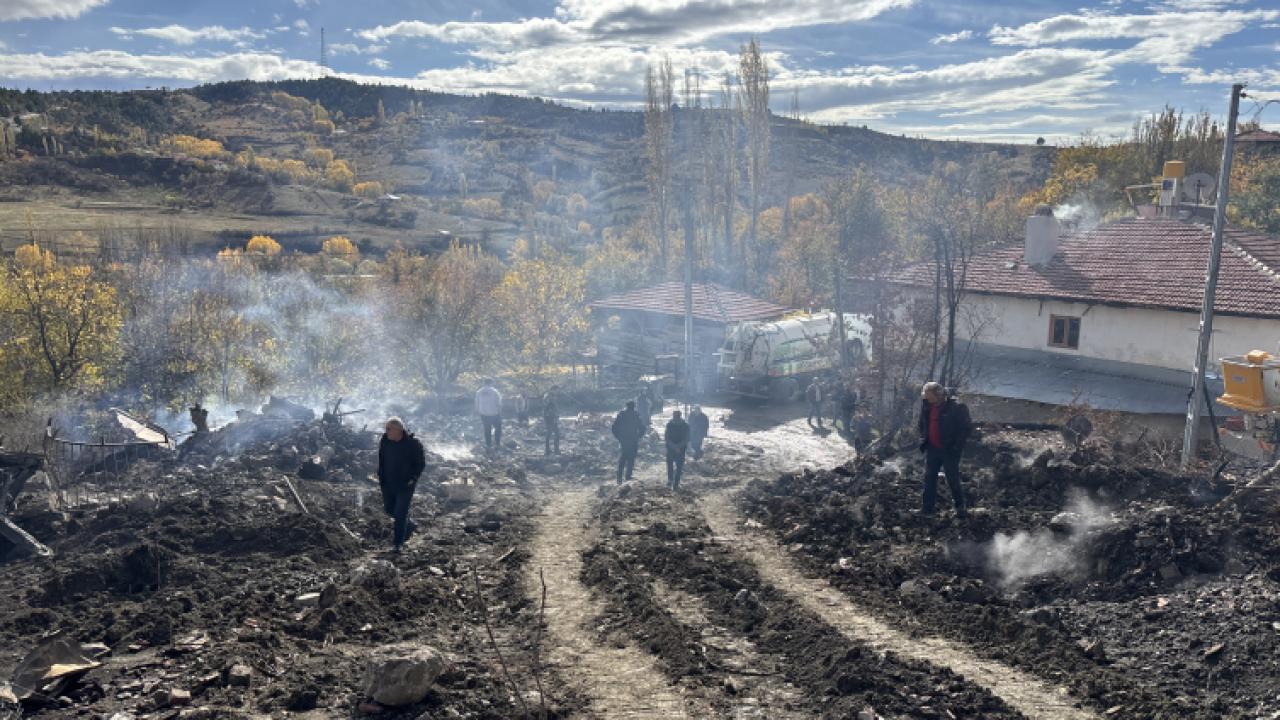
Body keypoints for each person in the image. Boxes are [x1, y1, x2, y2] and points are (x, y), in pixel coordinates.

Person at [917, 382, 972, 517]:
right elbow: (922, 423)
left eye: (930, 397)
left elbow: (965, 429)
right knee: (929, 478)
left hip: (949, 450)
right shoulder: (927, 406)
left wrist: (956, 447)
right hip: (932, 448)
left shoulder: (957, 408)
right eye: (926, 397)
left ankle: (960, 508)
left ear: (939, 395)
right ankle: (927, 509)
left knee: (952, 478)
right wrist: (924, 438)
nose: (927, 400)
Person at [377, 417, 426, 554]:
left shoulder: (413, 444)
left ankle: (398, 544)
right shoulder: (385, 441)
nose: (386, 431)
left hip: (405, 485)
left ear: (398, 430)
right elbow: (381, 459)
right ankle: (408, 525)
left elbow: (420, 464)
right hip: (388, 483)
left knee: (400, 513)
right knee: (389, 509)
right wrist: (380, 476)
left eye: (388, 429)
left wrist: (413, 479)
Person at [611, 400, 645, 483]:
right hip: (633, 440)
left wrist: (619, 437)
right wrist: (638, 436)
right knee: (631, 458)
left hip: (624, 440)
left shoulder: (621, 415)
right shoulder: (635, 415)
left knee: (623, 458)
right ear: (634, 406)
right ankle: (628, 476)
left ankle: (619, 478)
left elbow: (614, 428)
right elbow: (642, 428)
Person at [664, 410, 690, 490]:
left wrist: (674, 447)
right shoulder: (685, 425)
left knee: (671, 465)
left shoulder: (669, 425)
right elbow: (687, 439)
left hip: (672, 448)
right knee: (678, 467)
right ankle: (675, 483)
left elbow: (667, 438)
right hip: (680, 449)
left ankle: (671, 480)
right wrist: (678, 447)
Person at [475, 380, 503, 450]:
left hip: (484, 414)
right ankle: (497, 443)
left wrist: (479, 412)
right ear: (491, 383)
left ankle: (488, 444)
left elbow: (476, 403)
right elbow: (499, 403)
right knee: (498, 428)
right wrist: (500, 412)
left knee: (487, 429)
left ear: (483, 383)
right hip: (494, 413)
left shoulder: (479, 392)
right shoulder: (495, 391)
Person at [542, 386, 561, 456]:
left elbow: (555, 407)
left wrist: (557, 416)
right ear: (553, 390)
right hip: (549, 417)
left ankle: (555, 450)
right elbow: (546, 406)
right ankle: (548, 450)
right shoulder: (548, 396)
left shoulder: (552, 396)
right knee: (550, 433)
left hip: (553, 417)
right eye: (556, 390)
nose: (557, 392)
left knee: (556, 433)